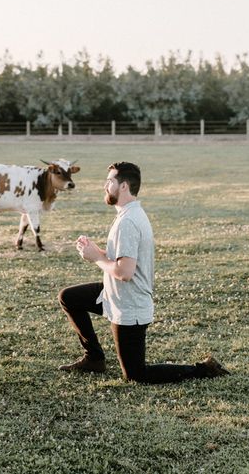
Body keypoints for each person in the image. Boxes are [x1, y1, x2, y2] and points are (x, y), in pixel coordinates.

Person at [58, 161, 230, 383]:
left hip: (130, 304)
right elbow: (123, 260)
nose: (104, 186)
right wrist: (95, 251)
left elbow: (124, 272)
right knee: (69, 297)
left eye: (109, 181)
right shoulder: (128, 214)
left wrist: (97, 258)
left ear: (123, 186)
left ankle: (203, 369)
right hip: (114, 294)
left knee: (136, 376)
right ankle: (94, 359)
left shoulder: (128, 221)